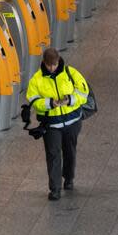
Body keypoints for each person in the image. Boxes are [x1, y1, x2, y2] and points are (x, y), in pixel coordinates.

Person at [26, 48, 91, 200]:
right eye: (49, 65)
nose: (52, 68)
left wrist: (70, 99)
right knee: (53, 155)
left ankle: (69, 178)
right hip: (51, 125)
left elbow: (83, 92)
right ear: (44, 63)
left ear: (59, 60)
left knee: (69, 152)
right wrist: (49, 103)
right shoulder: (36, 80)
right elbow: (34, 101)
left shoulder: (71, 73)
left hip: (72, 122)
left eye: (54, 65)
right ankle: (55, 189)